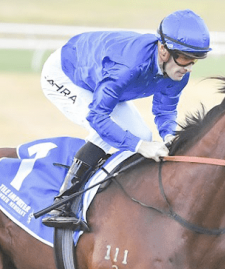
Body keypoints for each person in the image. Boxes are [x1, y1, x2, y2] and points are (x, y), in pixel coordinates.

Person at [39, 9, 212, 229]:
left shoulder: (177, 72)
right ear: (163, 50)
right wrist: (139, 146)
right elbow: (97, 117)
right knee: (115, 135)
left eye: (194, 60)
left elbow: (165, 110)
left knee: (143, 135)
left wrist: (169, 135)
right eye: (185, 58)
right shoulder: (128, 66)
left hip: (101, 79)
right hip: (66, 75)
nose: (188, 68)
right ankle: (61, 204)